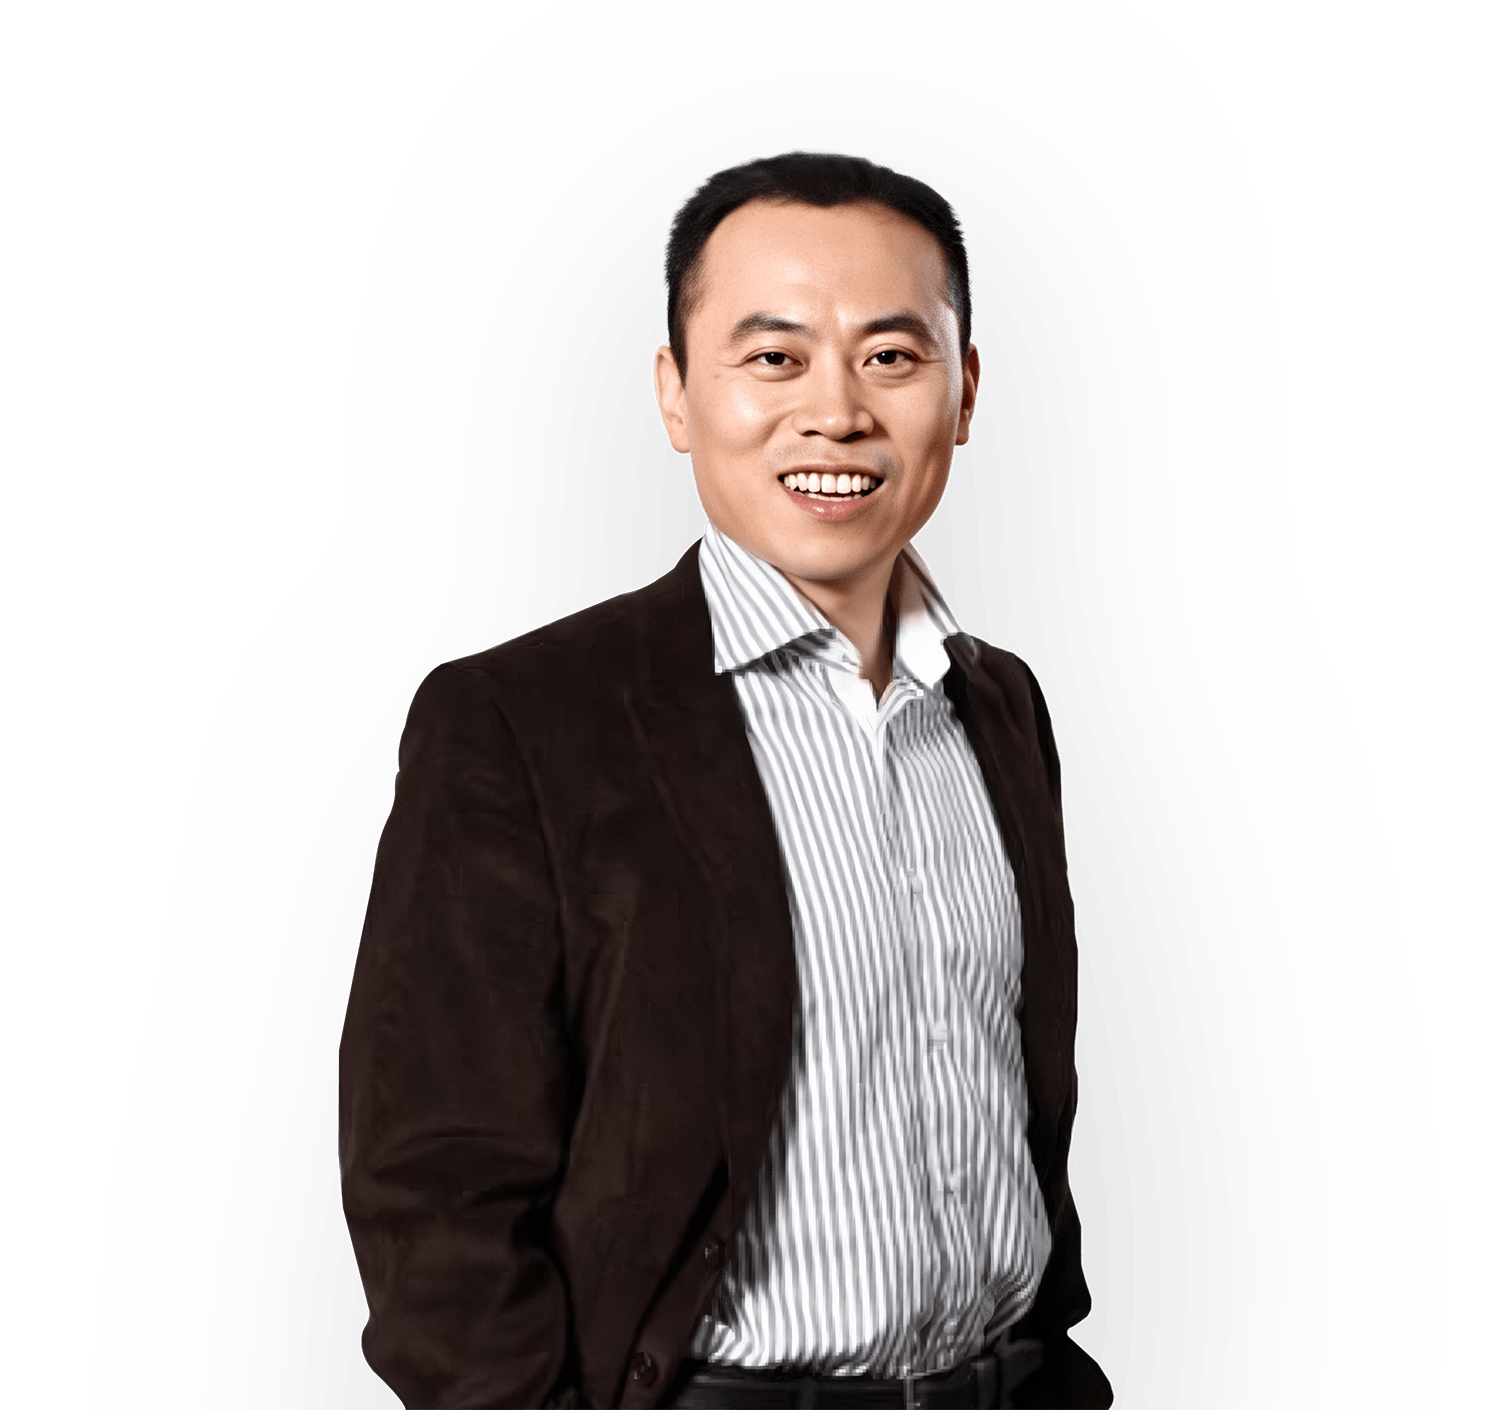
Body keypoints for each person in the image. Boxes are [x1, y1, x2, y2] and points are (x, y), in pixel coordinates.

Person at [337, 149, 1113, 1410]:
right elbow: (434, 1180)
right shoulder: (523, 720)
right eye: (774, 357)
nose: (836, 412)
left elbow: (1027, 1106)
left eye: (892, 355)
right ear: (676, 394)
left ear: (963, 392)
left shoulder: (999, 703)